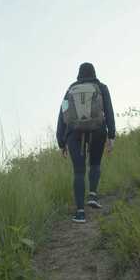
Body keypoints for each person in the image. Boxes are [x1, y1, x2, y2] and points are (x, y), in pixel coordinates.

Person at [56, 62, 116, 223]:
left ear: (79, 74)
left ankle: (80, 213)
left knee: (79, 171)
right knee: (95, 164)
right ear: (94, 73)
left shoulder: (70, 89)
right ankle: (93, 196)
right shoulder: (101, 87)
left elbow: (62, 114)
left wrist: (61, 142)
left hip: (73, 133)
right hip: (97, 130)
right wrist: (111, 136)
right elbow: (109, 111)